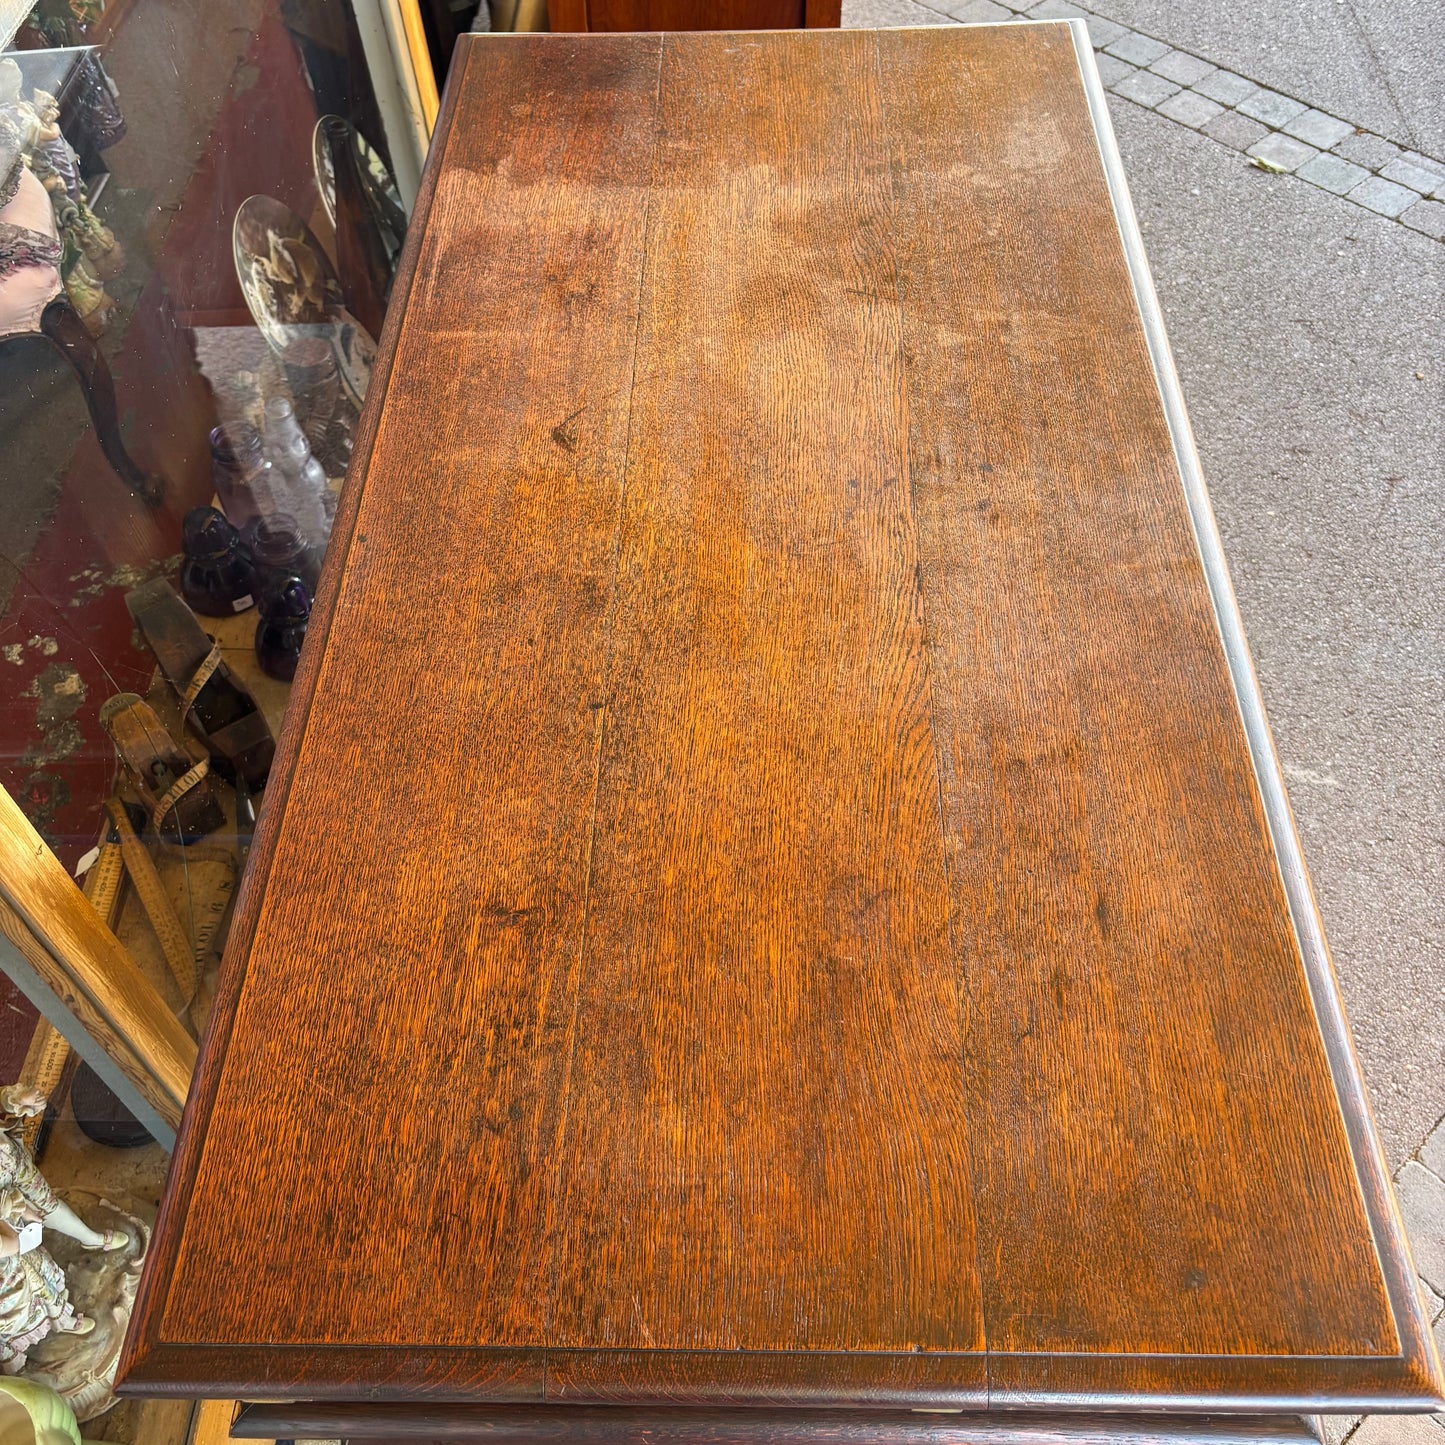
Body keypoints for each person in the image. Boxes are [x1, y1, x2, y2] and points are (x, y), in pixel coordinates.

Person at [0, 1088, 125, 1375]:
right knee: (18, 1304)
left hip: (7, 1170)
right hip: (7, 1251)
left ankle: (90, 1240)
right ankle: (16, 1374)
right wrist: (14, 1213)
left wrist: (13, 1101)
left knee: (45, 1208)